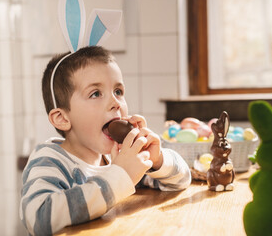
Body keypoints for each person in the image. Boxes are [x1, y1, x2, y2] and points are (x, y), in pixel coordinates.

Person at [20, 46, 191, 235]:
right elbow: (38, 219)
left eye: (118, 91)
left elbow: (181, 180)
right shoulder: (49, 160)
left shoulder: (117, 156)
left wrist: (157, 161)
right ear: (62, 118)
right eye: (95, 93)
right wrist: (121, 175)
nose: (115, 102)